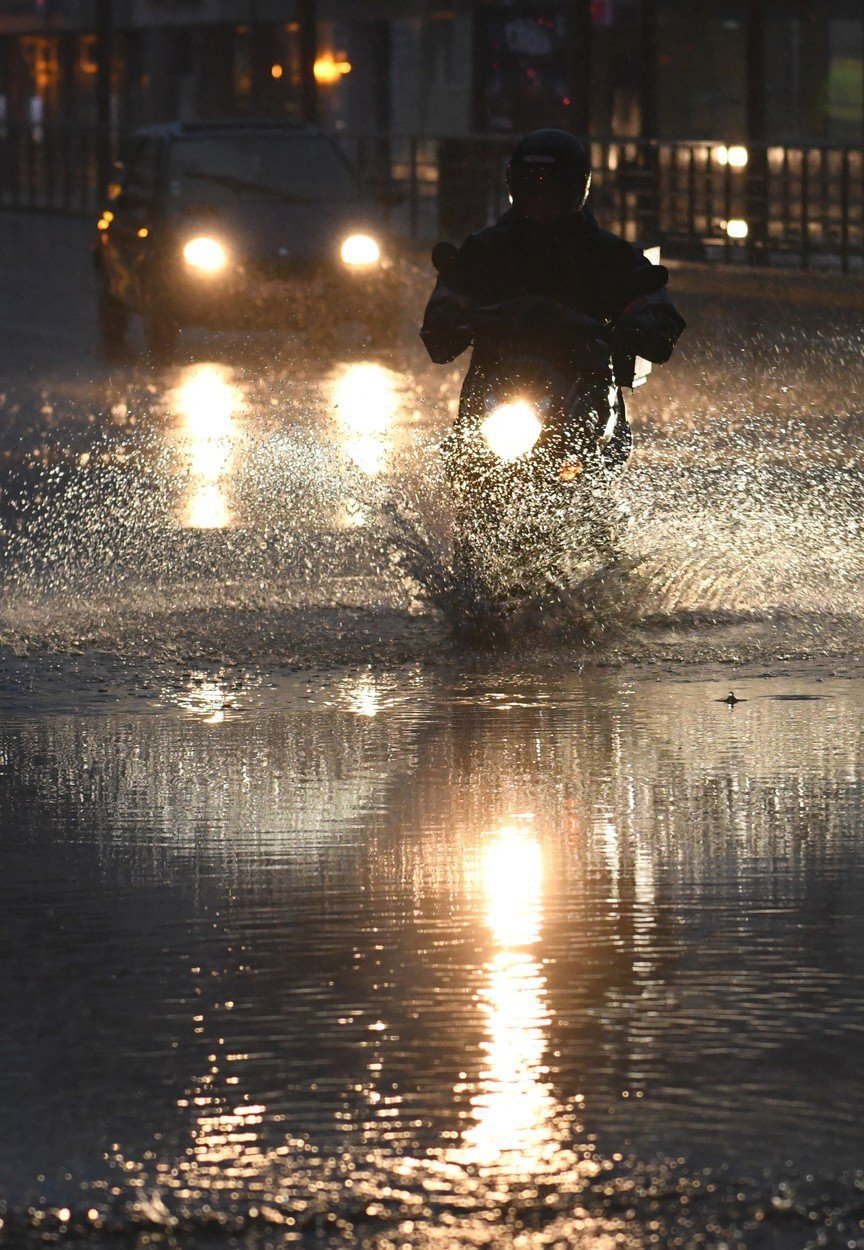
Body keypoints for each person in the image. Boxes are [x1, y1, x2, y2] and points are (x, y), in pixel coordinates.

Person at [420, 128, 686, 468]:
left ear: (576, 188)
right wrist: (448, 315)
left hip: (582, 384)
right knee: (465, 458)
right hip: (498, 384)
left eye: (553, 186)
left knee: (595, 454)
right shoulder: (486, 249)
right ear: (515, 187)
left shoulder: (607, 253)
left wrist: (641, 326)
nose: (540, 196)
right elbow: (450, 295)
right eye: (531, 185)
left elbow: (654, 305)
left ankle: (590, 505)